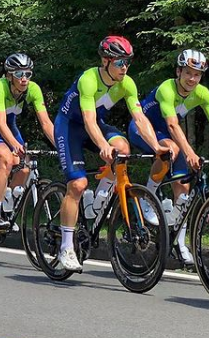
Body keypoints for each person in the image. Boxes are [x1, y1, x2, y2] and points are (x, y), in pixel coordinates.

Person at [54, 36, 169, 271]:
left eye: (128, 62)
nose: (124, 68)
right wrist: (103, 146)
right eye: (119, 63)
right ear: (105, 61)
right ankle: (66, 246)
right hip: (70, 126)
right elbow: (88, 121)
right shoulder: (88, 79)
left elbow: (140, 118)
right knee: (77, 185)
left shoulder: (127, 84)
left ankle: (97, 200)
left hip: (97, 124)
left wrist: (156, 147)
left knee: (124, 149)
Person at [128, 49, 209, 265]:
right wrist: (190, 152)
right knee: (172, 148)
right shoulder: (167, 89)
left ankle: (179, 243)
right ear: (179, 71)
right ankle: (148, 197)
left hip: (168, 133)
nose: (192, 79)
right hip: (144, 128)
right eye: (188, 73)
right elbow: (172, 124)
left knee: (183, 190)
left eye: (197, 75)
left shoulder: (202, 93)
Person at [0, 53, 54, 231]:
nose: (24, 79)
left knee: (25, 167)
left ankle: (6, 208)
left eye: (28, 74)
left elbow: (46, 123)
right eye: (19, 74)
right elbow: (0, 124)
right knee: (6, 159)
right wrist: (15, 146)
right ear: (9, 75)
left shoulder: (33, 90)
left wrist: (62, 146)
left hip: (9, 125)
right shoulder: (0, 86)